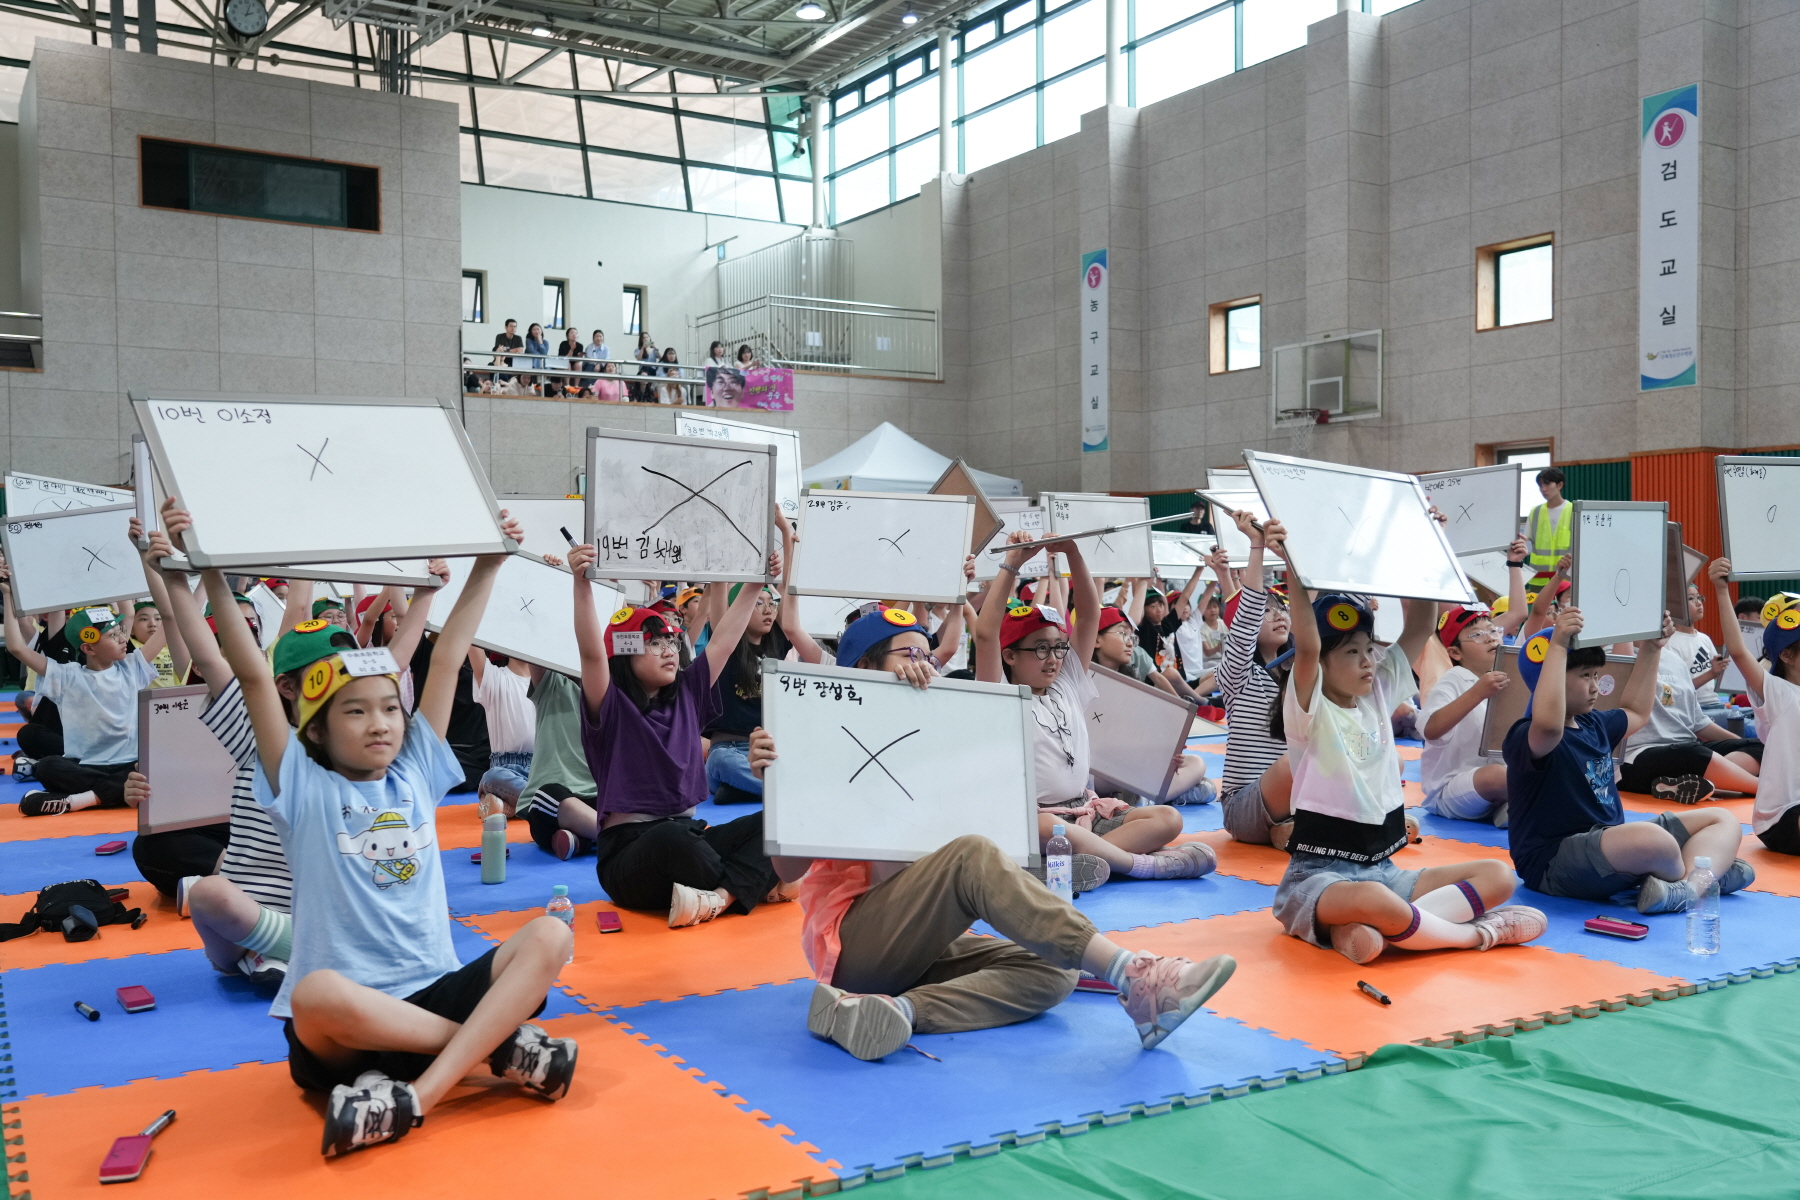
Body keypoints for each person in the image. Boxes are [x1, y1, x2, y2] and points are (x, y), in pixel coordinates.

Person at [208, 507, 575, 1158]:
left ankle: (419, 1097)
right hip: (348, 1028)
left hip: (432, 988)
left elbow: (449, 656)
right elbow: (255, 677)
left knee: (550, 934)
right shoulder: (304, 785)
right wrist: (205, 575)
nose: (380, 723)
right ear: (314, 728)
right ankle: (497, 1050)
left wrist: (488, 566)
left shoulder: (416, 774)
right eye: (355, 712)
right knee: (313, 991)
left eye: (387, 708)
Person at [756, 713, 1237, 1058]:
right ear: (866, 672)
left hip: (913, 949)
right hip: (853, 946)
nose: (920, 667)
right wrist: (783, 782)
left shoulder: (930, 748)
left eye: (927, 656)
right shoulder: (831, 745)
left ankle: (888, 1012)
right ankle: (1135, 974)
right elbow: (785, 870)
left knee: (1055, 972)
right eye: (907, 656)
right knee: (972, 854)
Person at [1267, 531, 1546, 964]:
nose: (1367, 661)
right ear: (1321, 664)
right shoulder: (1311, 710)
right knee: (1379, 902)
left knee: (1499, 876)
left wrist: (1423, 544)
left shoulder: (1377, 692)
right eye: (1350, 653)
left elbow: (1420, 624)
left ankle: (1381, 933)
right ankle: (1475, 935)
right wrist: (1295, 567)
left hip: (1386, 872)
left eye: (1368, 650)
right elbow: (1307, 645)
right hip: (1319, 879)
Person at [570, 538, 788, 928]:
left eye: (671, 640)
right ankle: (755, 884)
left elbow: (724, 638)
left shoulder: (688, 690)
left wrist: (758, 580)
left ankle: (720, 897)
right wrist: (581, 582)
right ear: (624, 654)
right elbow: (590, 653)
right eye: (654, 643)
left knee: (774, 823)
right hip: (631, 855)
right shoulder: (611, 704)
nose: (670, 649)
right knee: (672, 840)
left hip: (692, 837)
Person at [975, 533, 1211, 888]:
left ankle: (1062, 868)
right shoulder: (1002, 698)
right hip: (1041, 823)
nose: (1054, 658)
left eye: (1058, 648)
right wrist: (1012, 565)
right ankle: (1143, 865)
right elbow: (985, 635)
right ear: (1010, 656)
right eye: (1040, 649)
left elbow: (1088, 616)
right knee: (1044, 828)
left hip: (1088, 812)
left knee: (1168, 819)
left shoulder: (1066, 683)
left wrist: (1073, 552)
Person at [1503, 611, 1752, 915]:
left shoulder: (1593, 724)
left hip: (1611, 847)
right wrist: (1556, 646)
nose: (1596, 686)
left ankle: (1687, 886)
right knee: (1654, 842)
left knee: (1720, 819)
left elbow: (1636, 710)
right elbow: (1550, 726)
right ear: (1548, 678)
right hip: (1553, 863)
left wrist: (1651, 648)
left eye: (1596, 674)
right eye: (1585, 676)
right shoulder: (1528, 735)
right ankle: (1704, 876)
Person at [3, 576, 168, 816]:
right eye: (113, 635)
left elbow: (171, 620)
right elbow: (16, 648)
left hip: (131, 763)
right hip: (86, 766)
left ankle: (78, 800)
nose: (124, 639)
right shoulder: (67, 675)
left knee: (158, 763)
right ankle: (114, 795)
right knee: (48, 767)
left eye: (121, 632)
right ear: (88, 647)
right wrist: (8, 595)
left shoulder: (132, 667)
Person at [1706, 563, 1800, 853]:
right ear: (1786, 655)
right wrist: (1722, 589)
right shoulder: (1777, 692)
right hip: (1781, 816)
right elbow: (1737, 650)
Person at [1216, 513, 1295, 847]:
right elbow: (1245, 616)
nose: (1278, 614)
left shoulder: (1300, 675)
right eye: (1267, 610)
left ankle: (1293, 830)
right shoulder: (1238, 675)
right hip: (1244, 806)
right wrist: (1257, 544)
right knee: (1303, 760)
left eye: (1282, 609)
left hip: (1296, 799)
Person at [1617, 625, 1762, 802]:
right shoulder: (1615, 656)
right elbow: (1621, 664)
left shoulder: (1675, 660)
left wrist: (1740, 743)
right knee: (1691, 753)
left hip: (1686, 749)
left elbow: (1698, 722)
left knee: (1761, 745)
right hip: (1636, 759)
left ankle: (1692, 784)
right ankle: (1762, 788)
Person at [1090, 604, 1215, 806]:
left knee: (1196, 763)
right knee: (1204, 789)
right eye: (1123, 634)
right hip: (1099, 771)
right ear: (1095, 640)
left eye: (1132, 637)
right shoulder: (1083, 679)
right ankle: (1162, 796)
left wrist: (1165, 755)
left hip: (1134, 767)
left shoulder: (1132, 683)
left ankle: (1146, 798)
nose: (1130, 643)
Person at [1418, 605, 1511, 826]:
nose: (1489, 638)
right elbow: (1431, 729)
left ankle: (1509, 807)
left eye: (1493, 630)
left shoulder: (1511, 677)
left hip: (1503, 781)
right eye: (1476, 635)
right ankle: (1516, 807)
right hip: (1452, 789)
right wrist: (1478, 693)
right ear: (1455, 652)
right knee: (1497, 776)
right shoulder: (1455, 678)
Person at [517, 666, 600, 861]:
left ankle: (582, 840)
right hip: (556, 802)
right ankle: (612, 835)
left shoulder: (610, 695)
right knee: (545, 796)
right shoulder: (553, 685)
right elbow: (535, 646)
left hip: (599, 800)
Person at [469, 649, 535, 817]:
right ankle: (547, 806)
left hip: (542, 769)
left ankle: (508, 806)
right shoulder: (494, 677)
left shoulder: (550, 683)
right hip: (507, 770)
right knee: (493, 776)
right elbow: (472, 641)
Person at [1667, 582, 1727, 719]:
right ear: (1675, 606)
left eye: (1699, 598)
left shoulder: (1704, 638)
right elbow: (1676, 691)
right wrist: (1712, 673)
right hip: (1695, 709)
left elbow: (1718, 676)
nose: (1698, 603)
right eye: (1691, 599)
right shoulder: (1670, 643)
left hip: (1716, 704)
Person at [1522, 466, 1572, 588]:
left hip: (1566, 579)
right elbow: (1523, 540)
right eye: (1540, 485)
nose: (1543, 489)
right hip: (1539, 579)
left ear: (1559, 485)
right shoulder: (1535, 512)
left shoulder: (1574, 511)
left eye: (1547, 484)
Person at [491, 318, 523, 388]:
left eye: (515, 326)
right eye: (511, 326)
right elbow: (499, 350)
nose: (513, 328)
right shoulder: (500, 336)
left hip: (513, 361)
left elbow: (520, 351)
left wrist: (506, 351)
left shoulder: (518, 338)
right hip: (501, 360)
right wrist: (513, 351)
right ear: (506, 327)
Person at [631, 332, 658, 402]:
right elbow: (638, 358)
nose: (646, 339)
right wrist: (643, 348)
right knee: (645, 368)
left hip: (653, 370)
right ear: (641, 340)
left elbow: (661, 358)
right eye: (643, 338)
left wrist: (656, 348)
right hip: (643, 370)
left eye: (647, 337)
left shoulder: (654, 350)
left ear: (650, 338)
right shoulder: (638, 350)